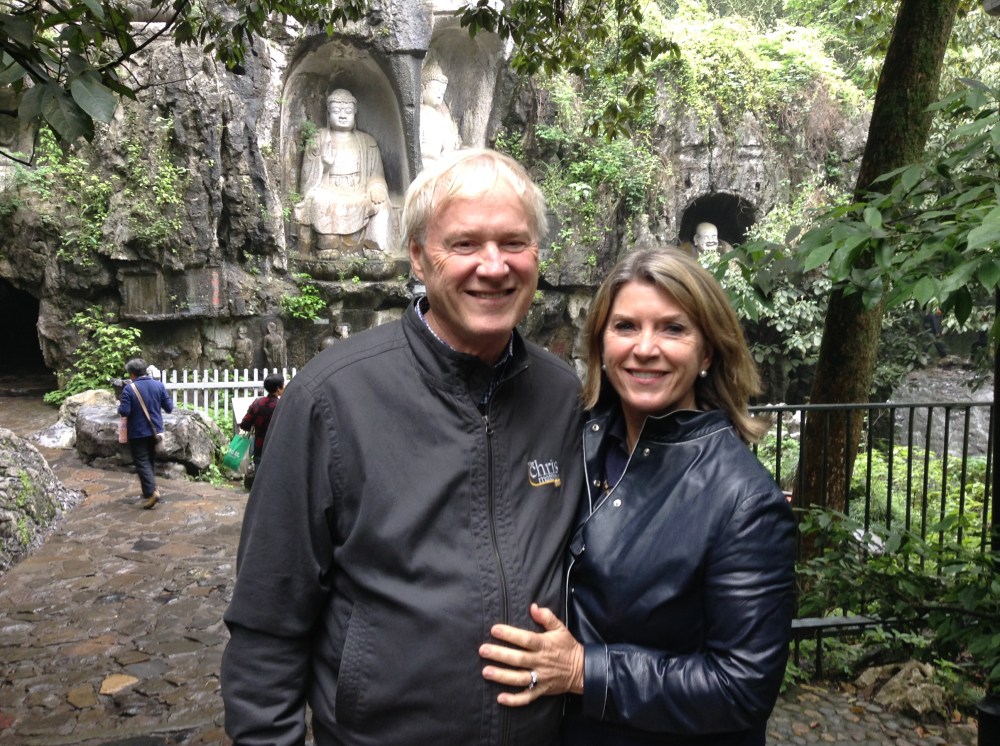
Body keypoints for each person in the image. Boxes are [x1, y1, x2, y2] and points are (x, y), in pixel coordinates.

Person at [221, 149, 585, 745]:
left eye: (513, 243)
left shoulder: (562, 396)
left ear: (537, 256)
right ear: (418, 256)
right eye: (464, 244)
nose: (493, 267)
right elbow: (268, 620)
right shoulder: (331, 397)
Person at [478, 248, 796, 746]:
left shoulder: (741, 500)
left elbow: (743, 686)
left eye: (673, 329)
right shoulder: (575, 446)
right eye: (625, 326)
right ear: (601, 345)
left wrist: (585, 670)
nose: (646, 348)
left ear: (707, 352)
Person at [293, 87, 390, 254]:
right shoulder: (318, 138)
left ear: (355, 113)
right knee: (317, 201)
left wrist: (376, 188)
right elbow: (306, 182)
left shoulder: (368, 142)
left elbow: (376, 174)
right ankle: (327, 244)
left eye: (348, 111)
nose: (343, 115)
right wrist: (322, 164)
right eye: (337, 111)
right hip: (328, 192)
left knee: (381, 204)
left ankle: (372, 247)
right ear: (328, 114)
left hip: (359, 192)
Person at [118, 357, 174, 510]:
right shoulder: (158, 385)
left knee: (142, 462)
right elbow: (169, 407)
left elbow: (125, 411)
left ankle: (151, 492)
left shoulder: (129, 389)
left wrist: (120, 406)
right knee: (149, 460)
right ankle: (148, 491)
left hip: (137, 432)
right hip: (155, 430)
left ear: (132, 374)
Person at [420, 59, 461, 169]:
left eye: (442, 92)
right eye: (436, 90)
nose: (439, 94)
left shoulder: (442, 119)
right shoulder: (419, 114)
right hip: (421, 163)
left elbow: (447, 148)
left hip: (438, 167)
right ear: (422, 88)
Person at [238, 373, 285, 466]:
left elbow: (244, 424)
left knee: (259, 477)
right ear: (278, 388)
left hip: (260, 447)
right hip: (278, 449)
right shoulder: (282, 406)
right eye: (283, 385)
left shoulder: (257, 403)